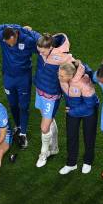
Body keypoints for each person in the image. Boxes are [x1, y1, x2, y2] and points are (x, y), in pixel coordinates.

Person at [0, 24, 41, 148]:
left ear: (16, 35)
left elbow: (43, 48)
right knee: (12, 104)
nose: (11, 45)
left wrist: (30, 31)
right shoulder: (2, 36)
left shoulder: (28, 40)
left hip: (23, 78)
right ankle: (18, 126)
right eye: (8, 43)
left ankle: (23, 133)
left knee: (23, 106)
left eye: (13, 42)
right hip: (8, 78)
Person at [34, 32, 73, 168]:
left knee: (44, 127)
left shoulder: (63, 56)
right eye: (39, 51)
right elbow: (32, 34)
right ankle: (55, 148)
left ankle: (44, 153)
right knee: (49, 121)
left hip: (52, 95)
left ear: (50, 47)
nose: (41, 53)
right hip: (39, 91)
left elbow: (75, 67)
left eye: (43, 51)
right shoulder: (41, 48)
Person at [57, 60, 99, 175]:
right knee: (71, 137)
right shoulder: (63, 79)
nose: (59, 77)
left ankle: (88, 162)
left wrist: (73, 111)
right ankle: (71, 164)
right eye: (59, 74)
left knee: (89, 137)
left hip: (89, 111)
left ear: (70, 75)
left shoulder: (83, 82)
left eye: (61, 75)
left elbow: (89, 105)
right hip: (72, 110)